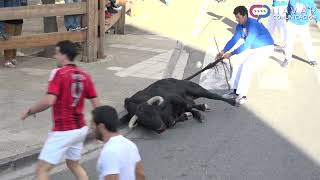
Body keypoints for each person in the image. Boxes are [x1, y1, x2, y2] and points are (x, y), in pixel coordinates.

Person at [21, 40, 100, 180]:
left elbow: (49, 101)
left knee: (41, 170)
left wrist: (30, 111)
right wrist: (96, 126)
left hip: (63, 130)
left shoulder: (58, 73)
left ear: (64, 55)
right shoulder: (84, 75)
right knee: (73, 164)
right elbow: (96, 103)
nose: (54, 56)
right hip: (80, 129)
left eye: (57, 53)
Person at [219, 6, 274, 104]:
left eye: (238, 17)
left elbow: (246, 45)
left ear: (245, 16)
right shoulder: (240, 26)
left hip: (266, 48)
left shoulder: (253, 25)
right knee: (237, 63)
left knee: (247, 66)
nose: (236, 19)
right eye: (236, 17)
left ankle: (243, 95)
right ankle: (234, 91)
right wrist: (223, 51)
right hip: (254, 47)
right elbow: (234, 39)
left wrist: (231, 53)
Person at [90, 105, 145, 180]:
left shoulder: (109, 152)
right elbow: (140, 174)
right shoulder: (130, 145)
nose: (91, 127)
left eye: (92, 123)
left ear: (101, 127)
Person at [281, 0, 320, 68]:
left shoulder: (309, 1)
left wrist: (318, 20)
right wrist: (287, 17)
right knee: (289, 42)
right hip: (292, 24)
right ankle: (287, 59)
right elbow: (288, 8)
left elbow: (315, 11)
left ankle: (312, 59)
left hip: (303, 25)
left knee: (307, 43)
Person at [2, 0, 27, 68]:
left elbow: (24, 4)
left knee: (16, 40)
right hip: (8, 20)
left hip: (19, 19)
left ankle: (13, 58)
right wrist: (1, 27)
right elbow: (1, 7)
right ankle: (7, 61)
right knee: (8, 41)